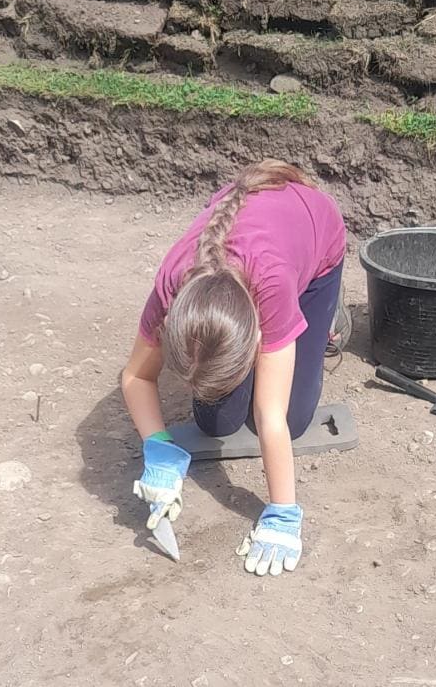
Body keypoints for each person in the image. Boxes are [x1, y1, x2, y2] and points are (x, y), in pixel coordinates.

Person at [121, 159, 346, 576]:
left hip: (314, 250)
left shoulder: (274, 284)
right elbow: (136, 376)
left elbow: (271, 415)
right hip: (245, 274)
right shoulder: (172, 285)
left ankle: (324, 320)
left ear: (257, 338)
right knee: (216, 420)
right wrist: (159, 449)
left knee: (292, 421)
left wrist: (282, 511)